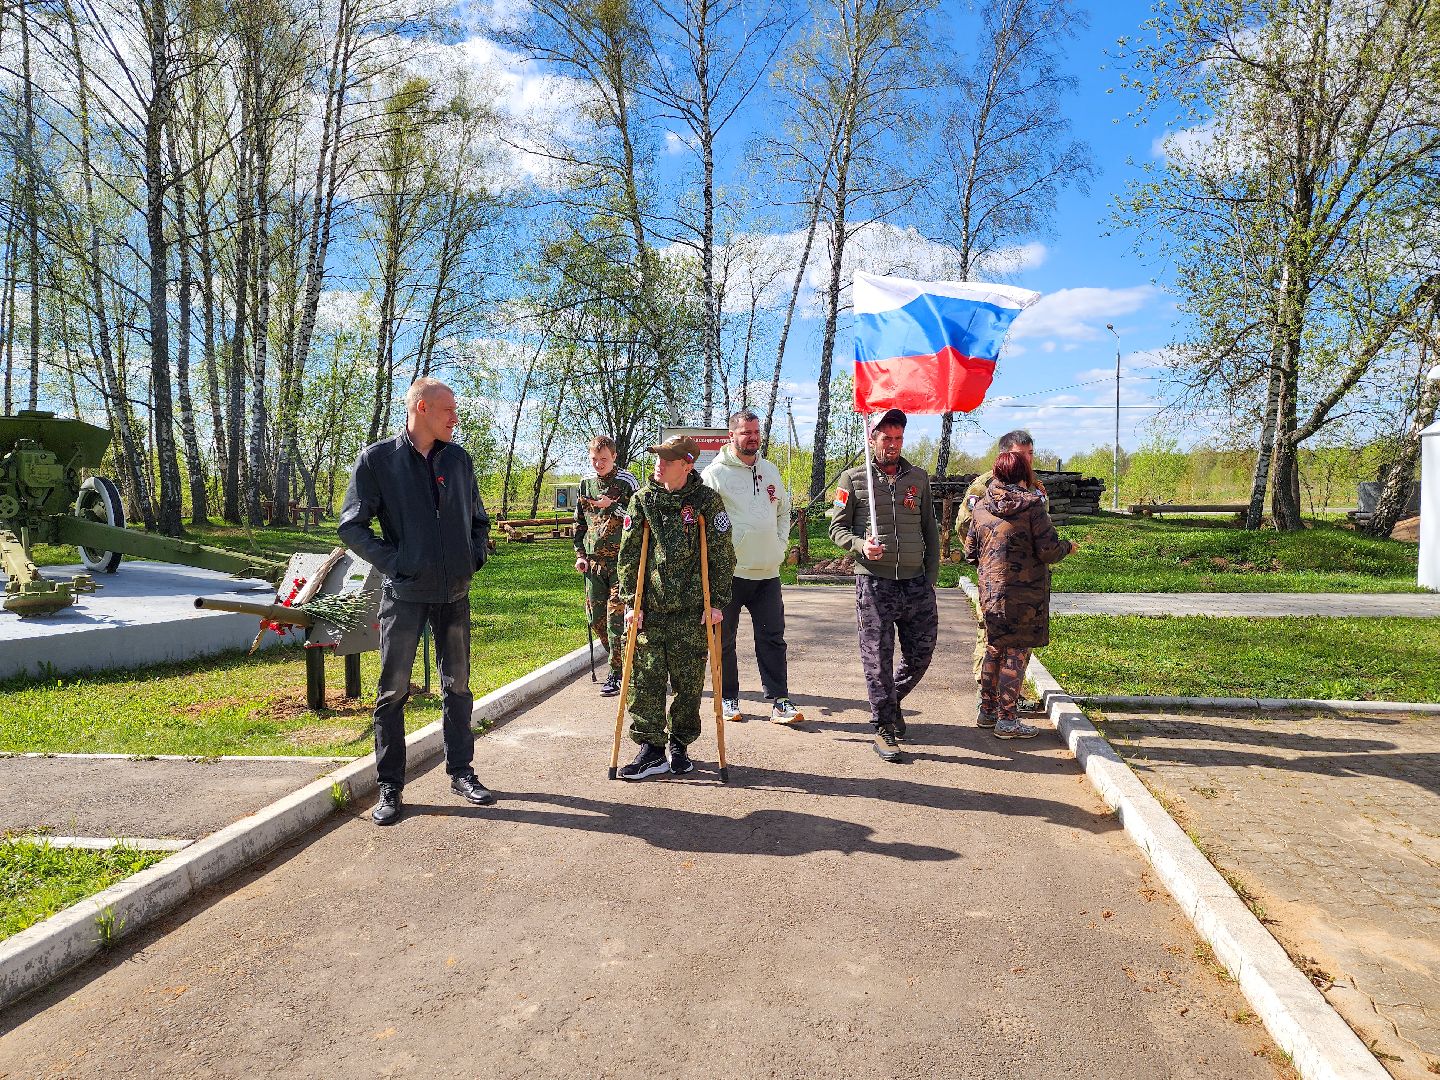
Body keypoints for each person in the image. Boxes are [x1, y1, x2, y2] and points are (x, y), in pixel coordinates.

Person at [338, 378, 495, 826]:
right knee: (392, 693)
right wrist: (398, 563)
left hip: (455, 595)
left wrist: (473, 556)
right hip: (405, 597)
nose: (455, 417)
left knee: (458, 688)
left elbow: (478, 520)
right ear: (421, 409)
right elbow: (352, 526)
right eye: (448, 410)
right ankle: (390, 786)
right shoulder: (378, 461)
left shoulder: (459, 460)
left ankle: (462, 772)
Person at [615, 435, 736, 780]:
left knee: (688, 684)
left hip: (691, 610)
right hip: (650, 608)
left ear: (686, 464)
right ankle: (652, 750)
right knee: (645, 679)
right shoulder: (643, 500)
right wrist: (630, 601)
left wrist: (718, 602)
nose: (658, 464)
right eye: (657, 458)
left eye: (667, 460)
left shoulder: (706, 502)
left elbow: (722, 555)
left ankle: (680, 745)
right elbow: (629, 553)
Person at [829, 408, 939, 763]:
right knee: (877, 658)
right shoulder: (852, 479)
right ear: (872, 438)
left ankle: (891, 703)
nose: (892, 445)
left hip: (915, 583)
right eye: (886, 437)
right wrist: (861, 546)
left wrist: (930, 579)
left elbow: (930, 532)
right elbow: (836, 528)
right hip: (874, 585)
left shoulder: (918, 478)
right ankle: (883, 728)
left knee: (920, 656)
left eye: (898, 438)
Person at [963, 449, 1077, 738]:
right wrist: (1068, 547)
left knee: (993, 647)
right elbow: (1048, 550)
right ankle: (1008, 719)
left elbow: (969, 553)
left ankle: (986, 712)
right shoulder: (1033, 507)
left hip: (991, 592)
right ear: (1025, 474)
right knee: (1016, 651)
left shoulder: (980, 508)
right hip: (1025, 595)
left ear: (997, 474)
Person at [701, 409, 801, 724]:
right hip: (729, 574)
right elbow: (705, 527)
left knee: (773, 638)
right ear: (731, 436)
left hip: (767, 573)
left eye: (756, 432)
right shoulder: (714, 475)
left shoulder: (770, 470)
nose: (753, 438)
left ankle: (779, 702)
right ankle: (729, 698)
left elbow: (785, 511)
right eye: (746, 432)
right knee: (724, 639)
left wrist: (780, 546)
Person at [955, 430, 1047, 692]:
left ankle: (1008, 695)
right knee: (992, 634)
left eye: (1030, 454)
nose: (1026, 461)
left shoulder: (1035, 484)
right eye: (1021, 455)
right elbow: (965, 525)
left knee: (1022, 639)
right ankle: (987, 694)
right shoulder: (983, 486)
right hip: (996, 575)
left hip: (1028, 580)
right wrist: (989, 557)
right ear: (1004, 456)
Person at [573, 435, 640, 697]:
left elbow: (637, 518)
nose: (598, 464)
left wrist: (614, 506)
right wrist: (580, 554)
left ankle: (616, 672)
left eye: (603, 459)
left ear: (614, 457)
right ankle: (620, 662)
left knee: (616, 621)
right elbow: (579, 523)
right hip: (593, 565)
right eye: (594, 459)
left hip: (620, 565)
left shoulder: (626, 482)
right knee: (596, 620)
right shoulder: (585, 484)